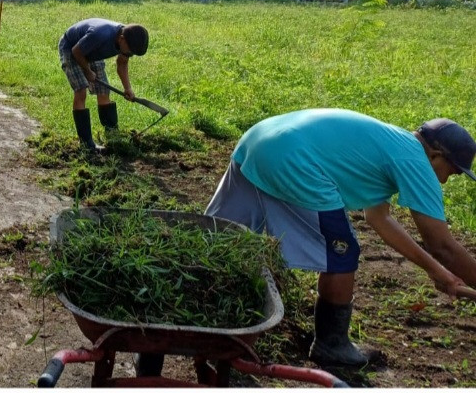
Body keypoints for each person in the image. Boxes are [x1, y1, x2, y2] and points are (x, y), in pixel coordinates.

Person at [204, 109, 476, 367]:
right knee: (342, 253)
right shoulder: (415, 161)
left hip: (258, 139)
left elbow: (379, 219)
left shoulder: (392, 143)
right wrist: (444, 271)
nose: (444, 183)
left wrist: (439, 273)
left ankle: (205, 311)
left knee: (217, 237)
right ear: (436, 156)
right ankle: (331, 345)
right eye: (451, 173)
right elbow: (442, 246)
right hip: (291, 157)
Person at [58, 19, 149, 152]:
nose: (130, 54)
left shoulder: (128, 38)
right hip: (71, 48)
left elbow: (122, 64)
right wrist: (87, 71)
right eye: (130, 52)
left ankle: (112, 134)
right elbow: (76, 51)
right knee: (81, 90)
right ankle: (87, 143)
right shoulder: (100, 34)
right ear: (121, 39)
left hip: (92, 51)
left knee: (104, 90)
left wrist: (128, 88)